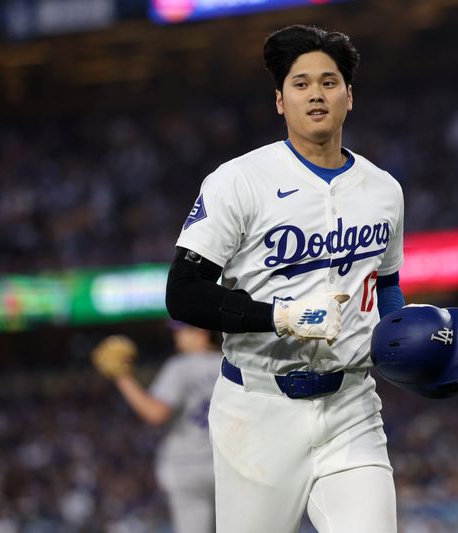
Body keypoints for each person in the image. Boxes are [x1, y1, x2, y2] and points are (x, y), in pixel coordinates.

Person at [166, 25, 412, 533]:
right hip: (256, 411)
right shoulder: (238, 180)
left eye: (329, 81)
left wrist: (411, 349)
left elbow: (386, 285)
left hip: (351, 407)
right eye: (300, 84)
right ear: (280, 101)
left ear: (349, 96)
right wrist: (276, 317)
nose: (316, 93)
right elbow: (182, 295)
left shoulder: (384, 190)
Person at [91, 322, 221, 533]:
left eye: (182, 331)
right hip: (226, 465)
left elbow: (156, 413)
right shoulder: (229, 363)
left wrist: (123, 378)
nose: (176, 336)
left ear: (202, 332)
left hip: (188, 468)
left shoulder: (180, 367)